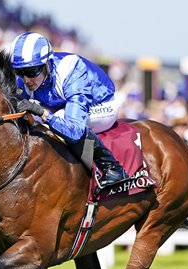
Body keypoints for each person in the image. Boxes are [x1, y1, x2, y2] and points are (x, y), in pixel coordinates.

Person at [9, 32, 127, 187]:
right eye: (20, 72)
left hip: (103, 104)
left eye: (31, 72)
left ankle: (112, 167)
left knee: (57, 117)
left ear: (47, 64)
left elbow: (74, 131)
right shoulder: (27, 78)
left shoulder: (71, 71)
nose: (25, 80)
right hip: (64, 104)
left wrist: (42, 113)